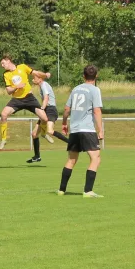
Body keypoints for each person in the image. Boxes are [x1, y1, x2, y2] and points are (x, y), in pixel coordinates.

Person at [57, 65, 104, 198]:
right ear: (96, 76)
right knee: (96, 158)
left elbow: (67, 109)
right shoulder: (95, 90)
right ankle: (88, 191)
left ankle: (61, 190)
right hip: (87, 129)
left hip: (75, 130)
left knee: (71, 159)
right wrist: (100, 130)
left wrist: (65, 123)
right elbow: (96, 111)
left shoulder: (75, 89)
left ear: (83, 76)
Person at [0, 54, 51, 150]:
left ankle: (43, 134)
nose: (2, 65)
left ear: (8, 60)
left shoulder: (22, 67)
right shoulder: (6, 74)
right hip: (16, 100)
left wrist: (45, 75)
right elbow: (9, 91)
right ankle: (3, 139)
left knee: (45, 118)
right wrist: (16, 87)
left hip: (29, 98)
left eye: (3, 63)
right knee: (3, 114)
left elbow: (36, 73)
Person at [26, 74, 70, 163]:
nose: (32, 80)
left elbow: (46, 97)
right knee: (34, 134)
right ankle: (37, 156)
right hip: (46, 109)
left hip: (50, 110)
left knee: (50, 130)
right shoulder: (42, 86)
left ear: (40, 78)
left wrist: (42, 108)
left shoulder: (44, 85)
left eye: (34, 78)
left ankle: (70, 142)